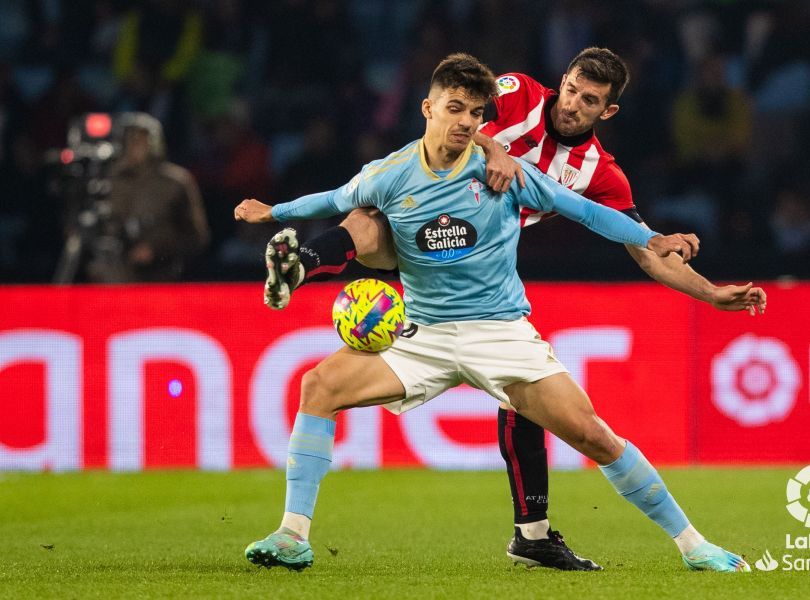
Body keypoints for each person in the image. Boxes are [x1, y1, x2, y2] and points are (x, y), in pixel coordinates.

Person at [233, 52, 751, 574]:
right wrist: (275, 212)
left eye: (590, 100)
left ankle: (690, 544)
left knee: (593, 435)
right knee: (322, 372)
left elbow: (593, 216)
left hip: (497, 327)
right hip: (423, 324)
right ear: (429, 108)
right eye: (571, 89)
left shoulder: (572, 173)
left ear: (607, 111)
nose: (573, 104)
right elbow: (334, 196)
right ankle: (291, 533)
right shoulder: (488, 111)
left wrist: (693, 276)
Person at [78, 112, 210, 282]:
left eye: (138, 140)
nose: (132, 147)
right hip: (114, 276)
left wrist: (156, 250)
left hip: (163, 274)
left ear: (153, 143)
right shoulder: (107, 180)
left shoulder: (176, 182)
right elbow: (91, 224)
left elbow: (197, 237)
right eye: (127, 140)